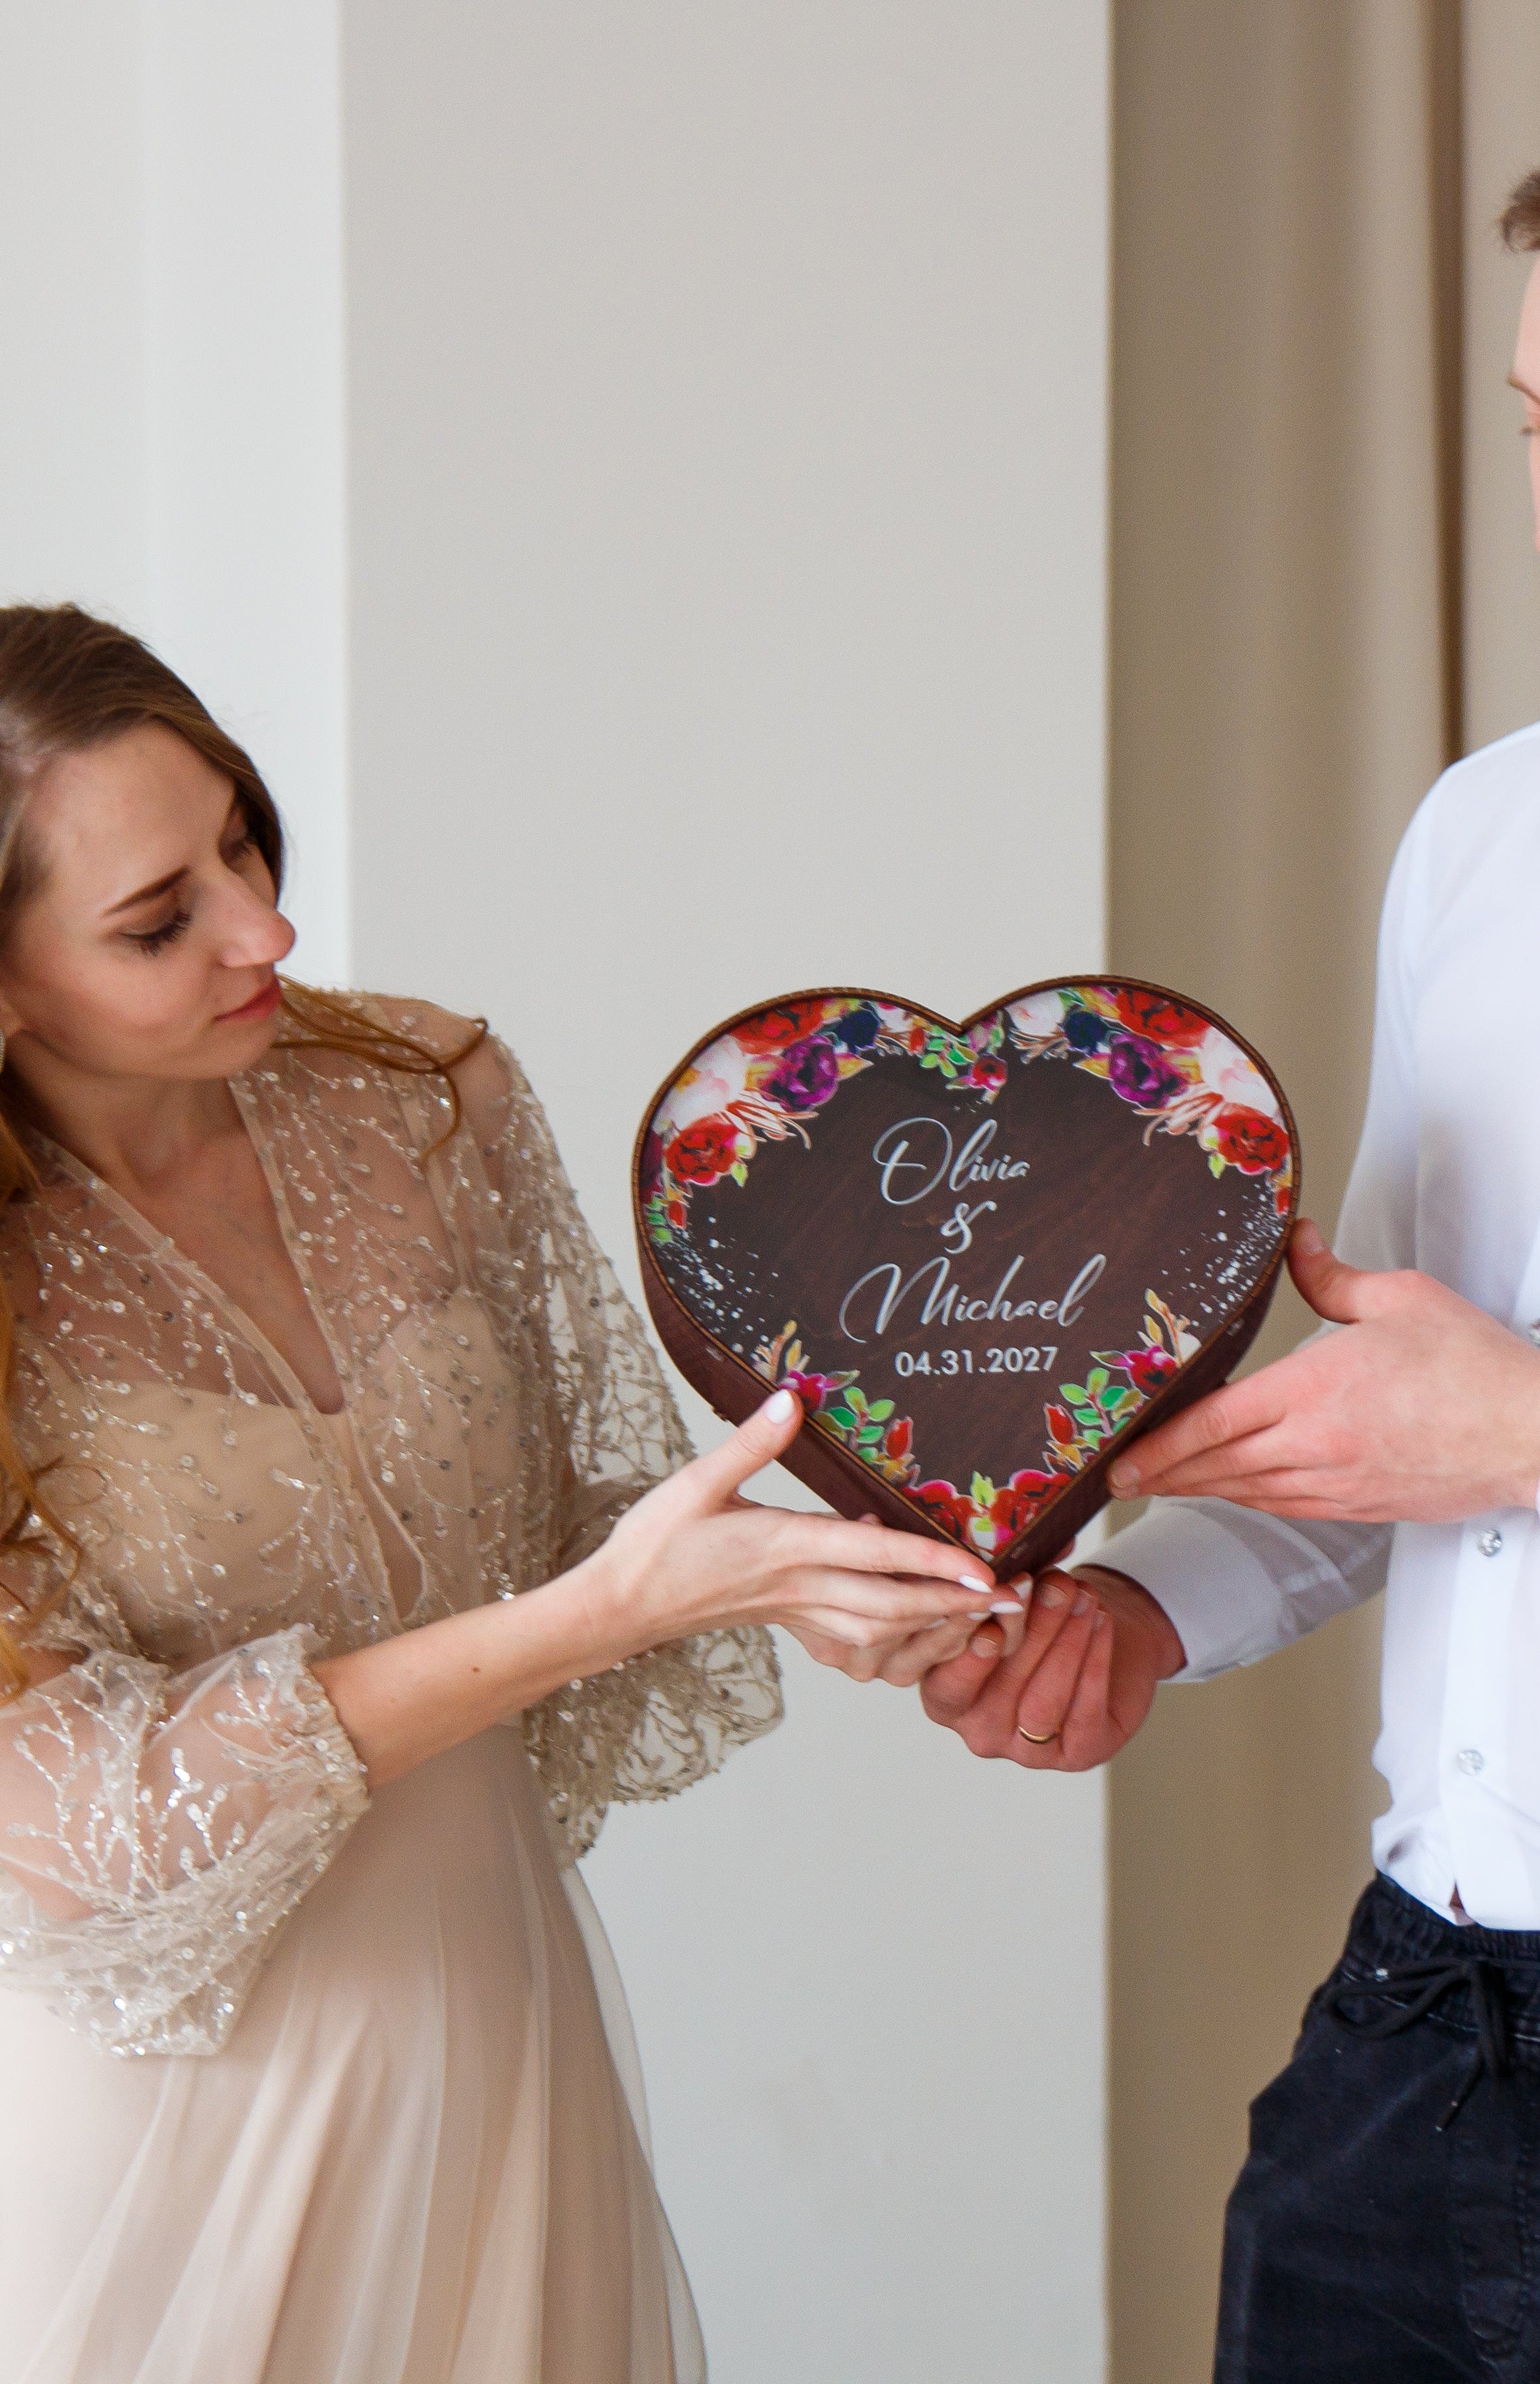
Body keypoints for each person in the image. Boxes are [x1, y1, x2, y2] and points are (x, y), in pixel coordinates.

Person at [904, 59, 1540, 2379]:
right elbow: (1396, 1417)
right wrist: (1148, 1618)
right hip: (1408, 2034)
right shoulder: (1486, 837)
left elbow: (1491, 1427)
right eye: (1539, 429)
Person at [0, 603, 1014, 2384]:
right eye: (161, 920)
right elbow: (77, 1821)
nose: (267, 926)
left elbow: (586, 1518)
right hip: (176, 2116)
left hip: (493, 2008)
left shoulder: (424, 1093)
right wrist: (617, 1607)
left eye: (242, 834)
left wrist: (815, 1578)